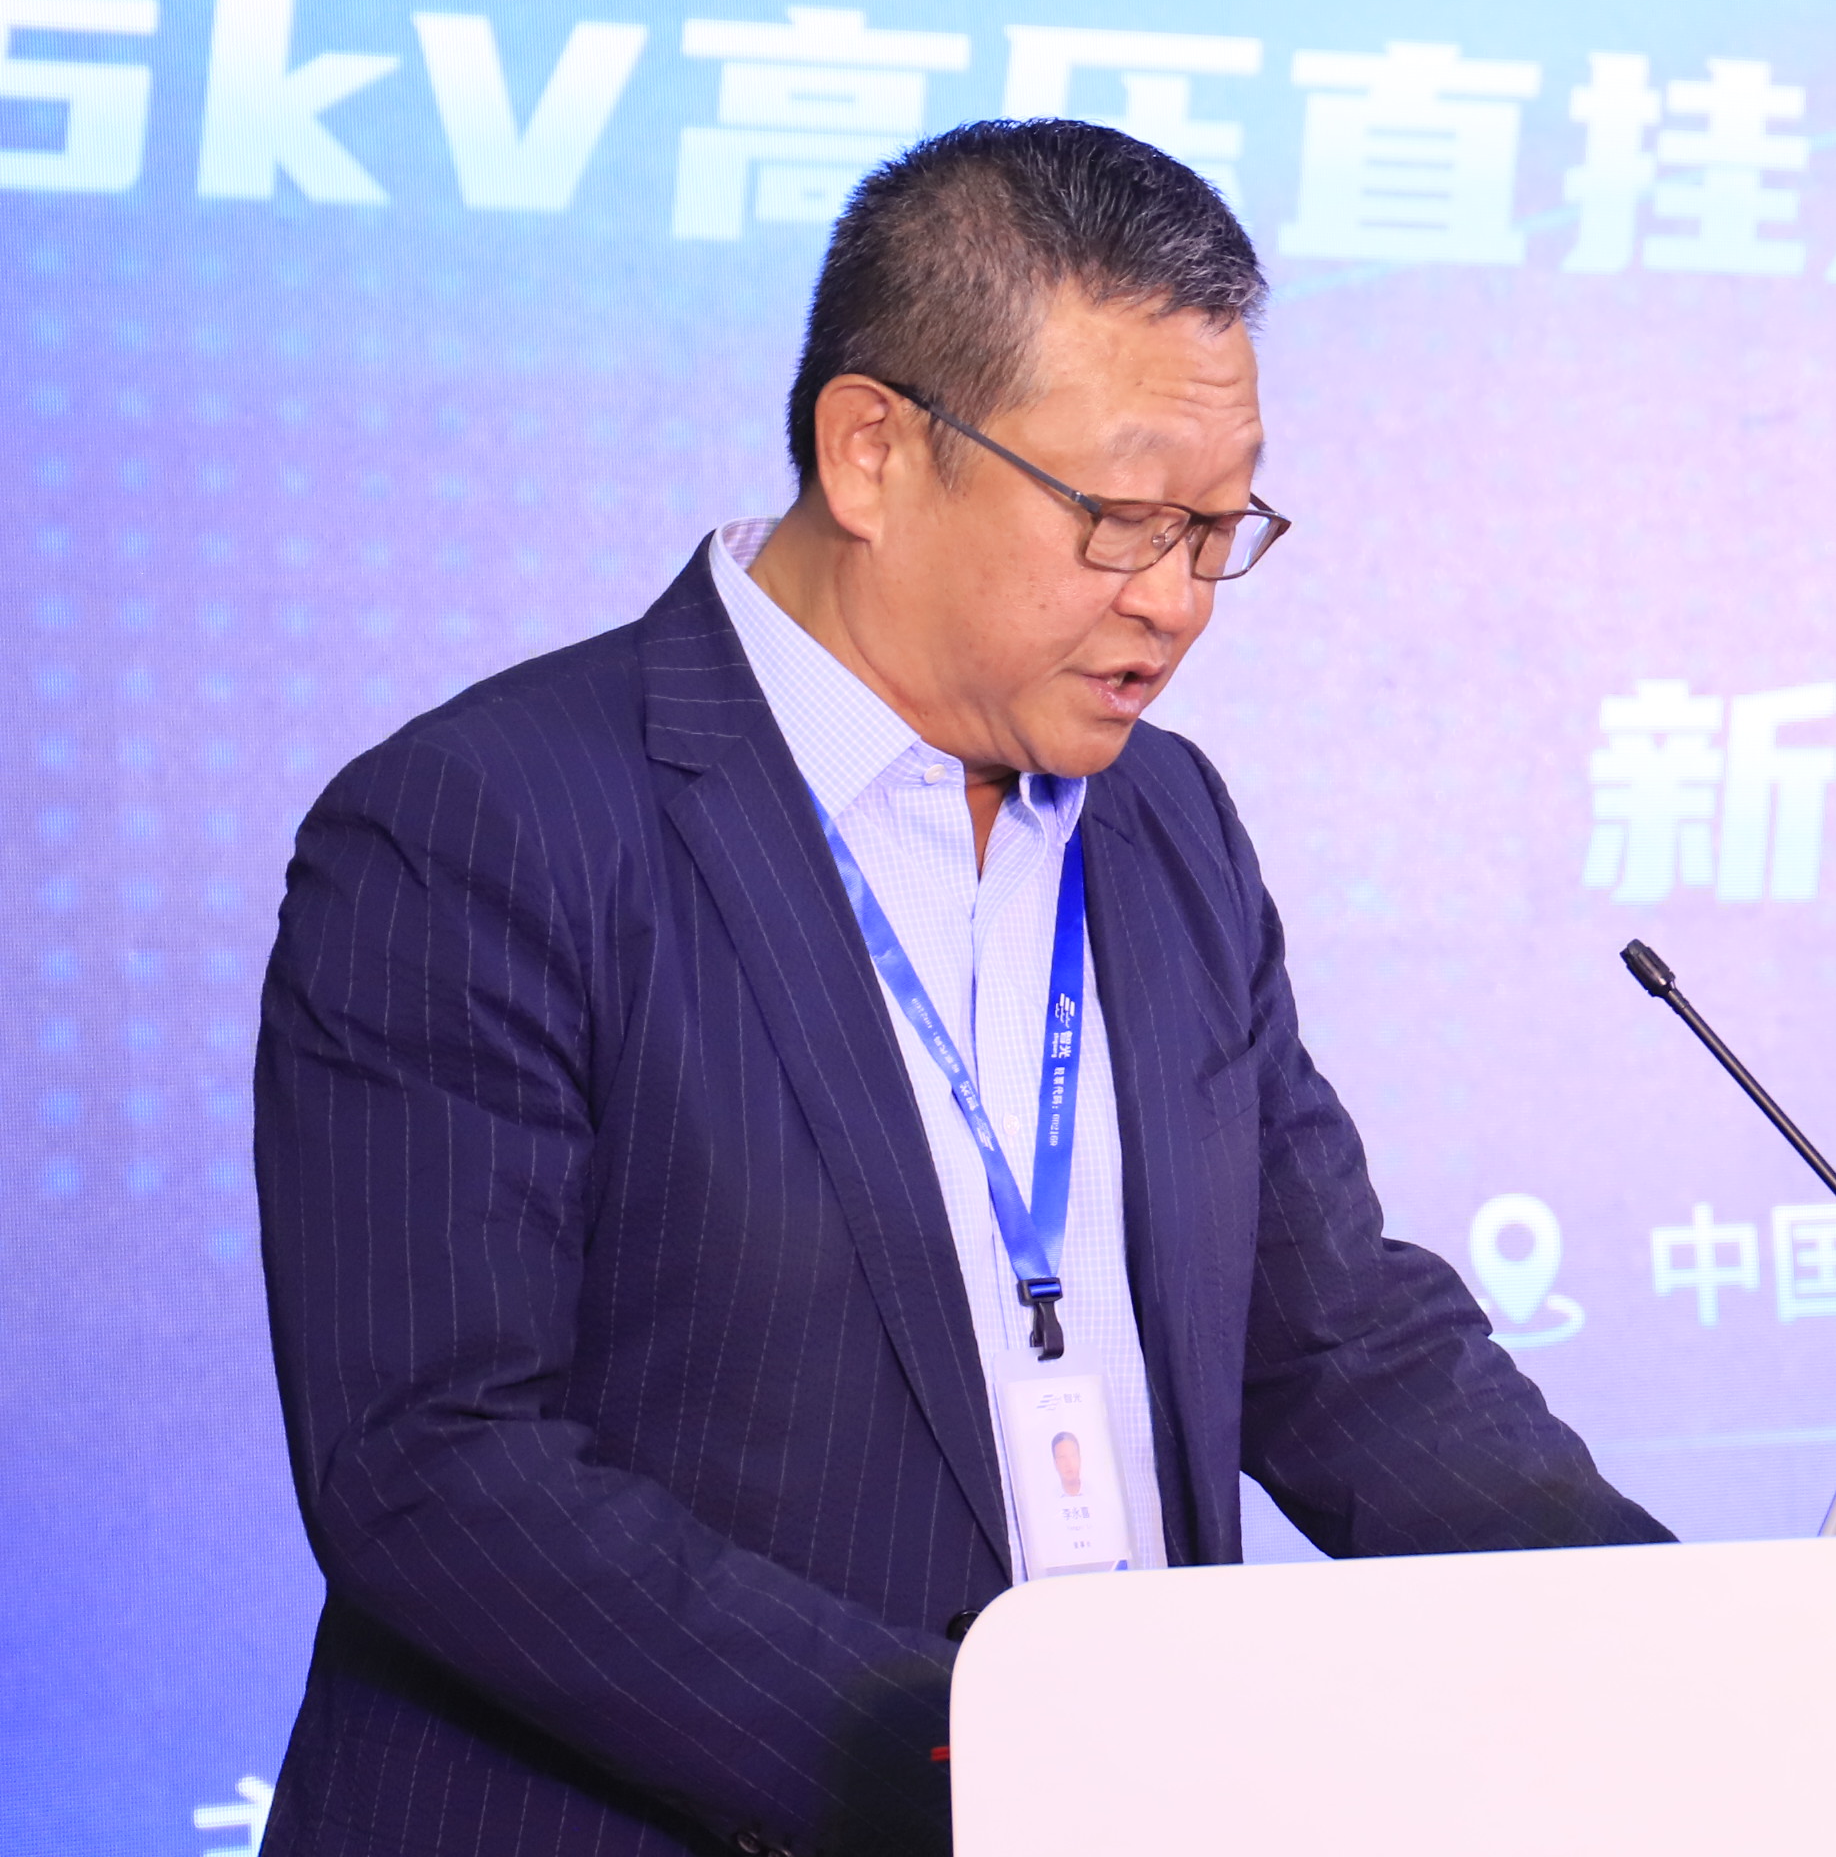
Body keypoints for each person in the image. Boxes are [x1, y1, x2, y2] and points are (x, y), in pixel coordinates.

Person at [252, 120, 1666, 1857]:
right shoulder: (489, 824)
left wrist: (1677, 1643)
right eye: (1121, 522)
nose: (1177, 603)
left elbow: (1332, 1333)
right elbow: (435, 1463)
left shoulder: (1165, 818)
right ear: (873, 452)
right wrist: (977, 1765)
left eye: (1218, 529)